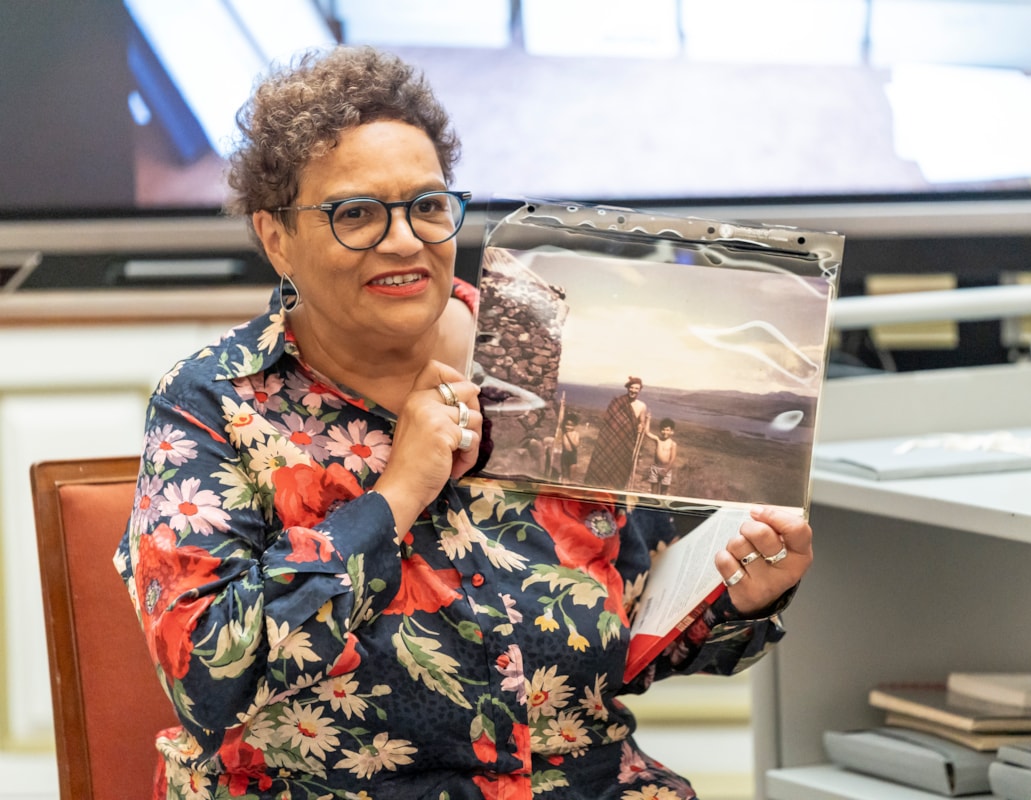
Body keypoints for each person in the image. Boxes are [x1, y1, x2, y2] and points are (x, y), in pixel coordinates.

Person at [113, 45, 812, 800]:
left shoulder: (544, 353)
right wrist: (396, 494)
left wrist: (740, 595)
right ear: (276, 237)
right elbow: (207, 675)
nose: (405, 240)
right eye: (355, 214)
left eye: (427, 205)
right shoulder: (217, 397)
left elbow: (635, 638)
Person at [583, 377, 650, 490]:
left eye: (636, 388)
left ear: (640, 390)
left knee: (620, 469)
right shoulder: (618, 402)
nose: (633, 390)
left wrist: (641, 425)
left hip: (627, 444)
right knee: (604, 465)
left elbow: (642, 422)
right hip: (611, 442)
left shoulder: (642, 406)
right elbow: (609, 421)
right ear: (628, 388)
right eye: (631, 387)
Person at [646, 418, 678, 496]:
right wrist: (648, 419)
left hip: (666, 469)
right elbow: (646, 432)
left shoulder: (673, 444)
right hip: (655, 467)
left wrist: (666, 470)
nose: (665, 432)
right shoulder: (658, 439)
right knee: (654, 490)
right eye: (663, 429)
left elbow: (672, 459)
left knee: (663, 491)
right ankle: (653, 504)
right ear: (660, 430)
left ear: (672, 432)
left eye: (667, 430)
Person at [559, 412, 581, 482]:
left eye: (571, 425)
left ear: (575, 426)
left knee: (572, 475)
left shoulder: (576, 434)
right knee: (564, 474)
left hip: (572, 455)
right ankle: (563, 483)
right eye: (567, 425)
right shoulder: (563, 432)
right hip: (564, 455)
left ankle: (570, 484)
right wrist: (563, 404)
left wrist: (568, 436)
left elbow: (576, 445)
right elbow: (560, 418)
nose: (568, 427)